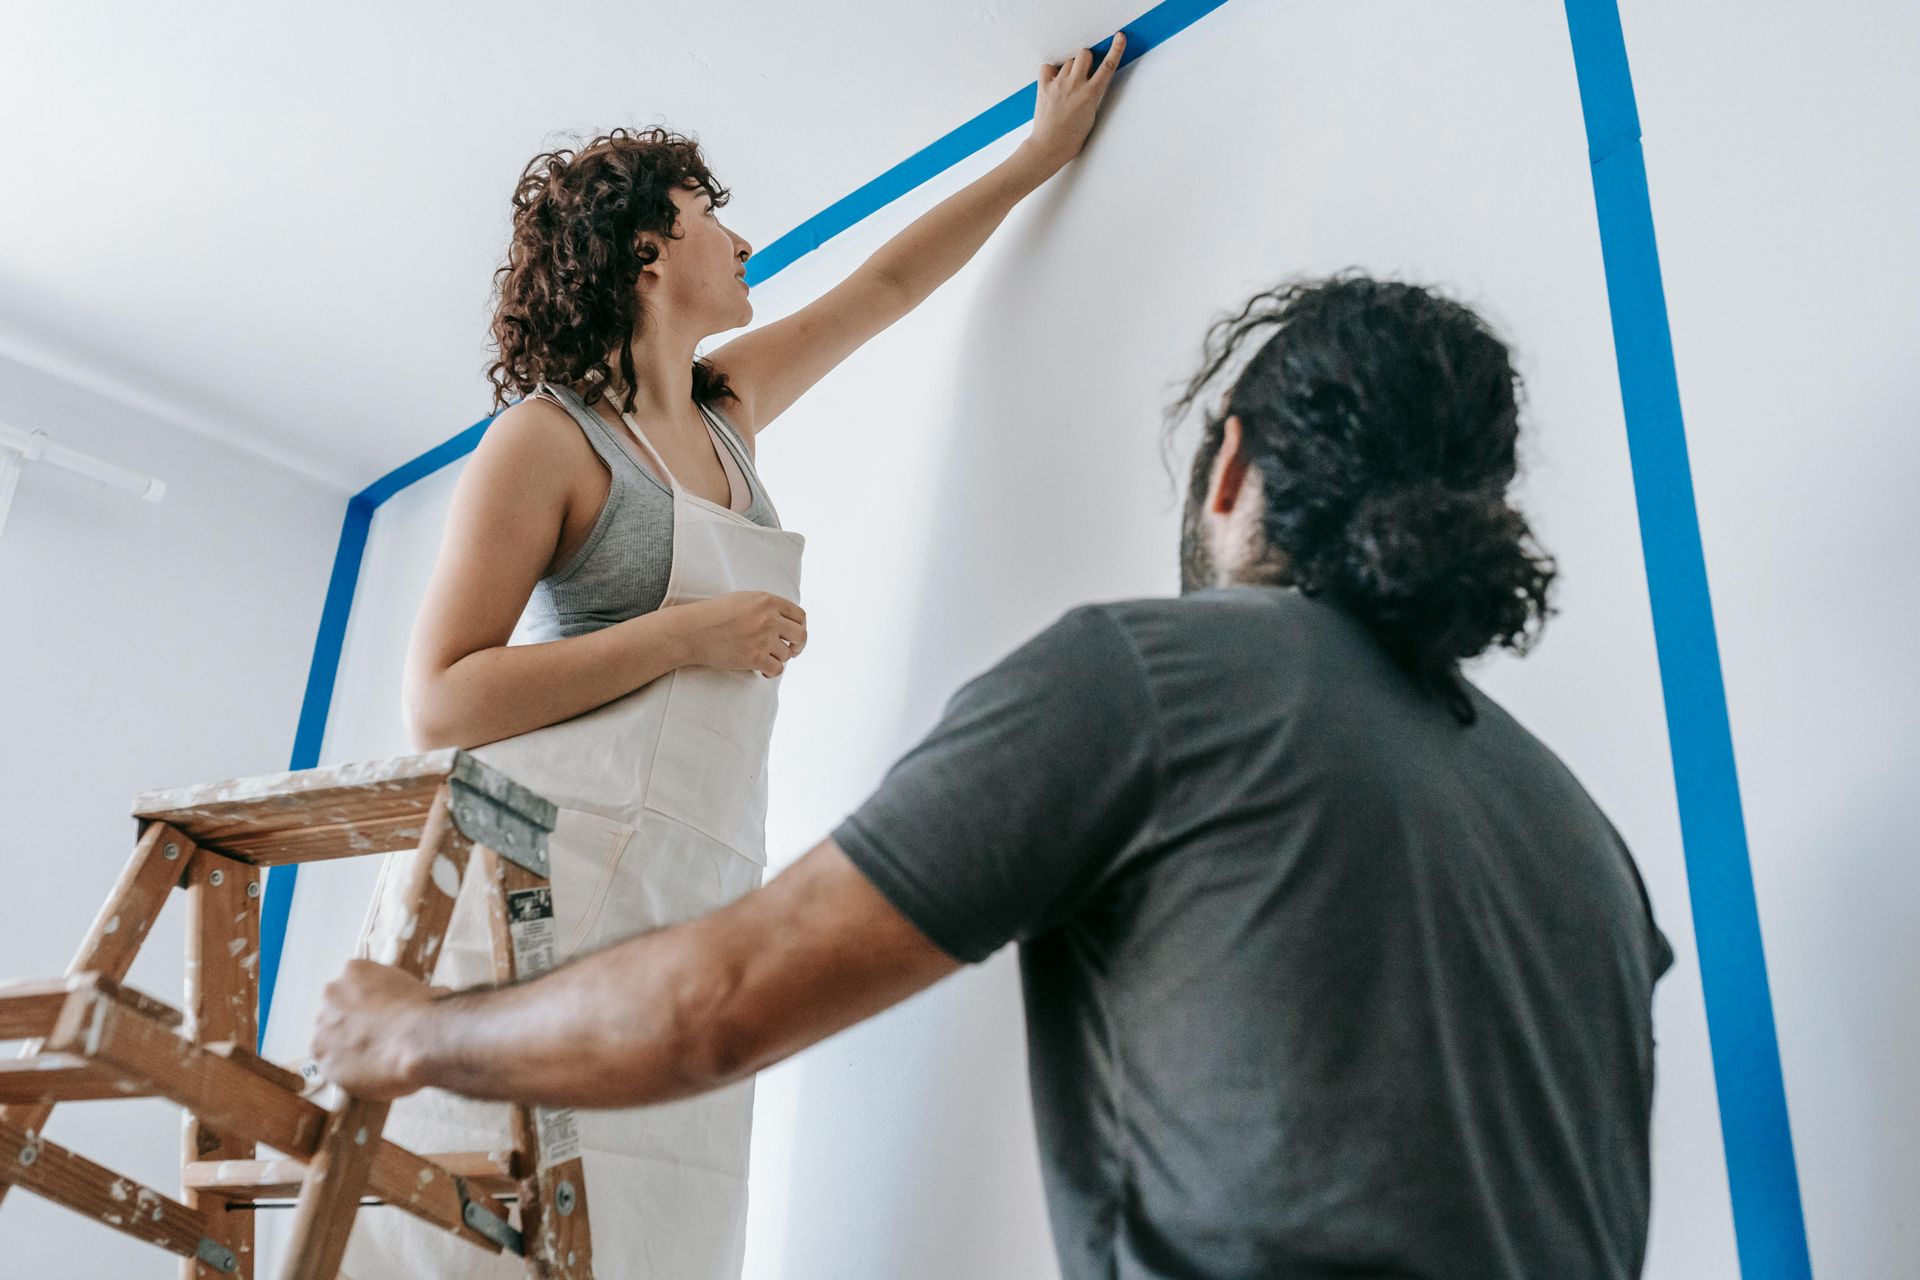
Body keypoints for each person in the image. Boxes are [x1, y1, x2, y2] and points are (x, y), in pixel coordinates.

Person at [317, 275, 1674, 1280]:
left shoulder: (1151, 677)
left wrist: (411, 1032)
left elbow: (712, 1008)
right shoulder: (1587, 844)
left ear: (1237, 463)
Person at [342, 35, 1128, 1280]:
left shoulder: (729, 407)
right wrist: (689, 632)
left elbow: (884, 289)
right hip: (534, 889)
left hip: (689, 883)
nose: (743, 240)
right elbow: (443, 695)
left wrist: (1036, 159)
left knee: (655, 1215)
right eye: (716, 215)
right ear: (647, 250)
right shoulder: (545, 441)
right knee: (470, 1213)